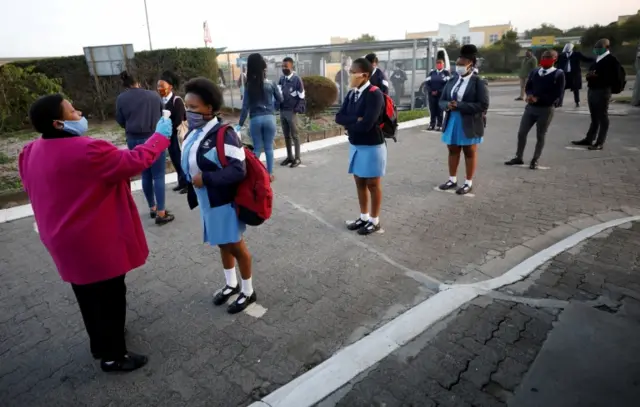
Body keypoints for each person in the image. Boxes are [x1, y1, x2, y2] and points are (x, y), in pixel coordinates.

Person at [19, 94, 173, 372]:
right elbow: (136, 160)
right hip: (94, 240)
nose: (79, 112)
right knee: (111, 294)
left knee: (87, 296)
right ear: (57, 123)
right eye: (72, 111)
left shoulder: (30, 151)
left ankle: (100, 343)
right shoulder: (89, 150)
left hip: (60, 239)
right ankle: (114, 356)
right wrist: (160, 136)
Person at [180, 77, 256, 314]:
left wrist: (207, 179)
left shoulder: (225, 133)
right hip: (207, 201)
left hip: (223, 201)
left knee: (236, 246)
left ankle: (248, 291)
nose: (188, 111)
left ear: (210, 108)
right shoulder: (195, 132)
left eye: (194, 107)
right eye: (187, 106)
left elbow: (237, 169)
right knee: (222, 244)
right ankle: (231, 284)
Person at [336, 57, 386, 235]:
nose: (350, 75)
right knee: (359, 182)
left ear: (364, 75)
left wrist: (352, 123)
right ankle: (363, 217)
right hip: (356, 144)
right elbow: (339, 117)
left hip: (372, 145)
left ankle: (375, 220)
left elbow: (368, 123)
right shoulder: (352, 93)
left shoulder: (374, 93)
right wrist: (354, 120)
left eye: (352, 72)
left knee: (373, 183)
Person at [116, 71, 175, 225]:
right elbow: (162, 115)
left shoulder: (121, 99)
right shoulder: (153, 96)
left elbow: (120, 120)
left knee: (146, 174)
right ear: (139, 82)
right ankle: (161, 213)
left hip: (133, 139)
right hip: (154, 138)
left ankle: (152, 207)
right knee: (158, 175)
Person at [438, 44, 489, 195]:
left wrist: (460, 105)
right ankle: (452, 179)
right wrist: (448, 105)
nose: (459, 67)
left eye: (462, 64)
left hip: (469, 121)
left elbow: (483, 104)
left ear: (470, 64)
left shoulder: (478, 82)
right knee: (452, 149)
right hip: (452, 120)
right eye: (457, 64)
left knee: (469, 151)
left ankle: (468, 182)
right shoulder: (452, 80)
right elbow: (441, 100)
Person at [505, 50, 565, 170]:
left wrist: (540, 99)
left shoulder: (558, 73)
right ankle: (518, 157)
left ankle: (535, 159)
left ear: (555, 59)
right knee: (522, 132)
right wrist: (530, 95)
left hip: (545, 109)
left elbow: (558, 93)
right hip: (531, 108)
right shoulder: (535, 71)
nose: (545, 59)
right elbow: (529, 86)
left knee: (540, 135)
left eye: (549, 57)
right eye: (543, 57)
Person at [572, 38, 624, 151]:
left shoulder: (611, 60)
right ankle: (589, 138)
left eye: (599, 47)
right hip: (592, 90)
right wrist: (589, 76)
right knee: (594, 117)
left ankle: (600, 142)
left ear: (606, 48)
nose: (596, 49)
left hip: (602, 91)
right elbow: (591, 72)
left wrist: (598, 77)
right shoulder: (597, 59)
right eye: (596, 47)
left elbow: (615, 77)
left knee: (602, 116)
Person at [238, 53, 283, 181]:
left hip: (255, 119)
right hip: (269, 117)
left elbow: (245, 106)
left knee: (257, 148)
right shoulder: (271, 84)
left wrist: (240, 124)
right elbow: (280, 99)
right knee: (269, 147)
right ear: (263, 67)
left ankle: (255, 175)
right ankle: (269, 174)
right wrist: (273, 108)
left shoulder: (248, 86)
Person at [157, 70, 188, 194]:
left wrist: (169, 130)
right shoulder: (162, 101)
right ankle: (181, 182)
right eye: (158, 86)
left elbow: (179, 120)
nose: (160, 89)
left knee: (180, 159)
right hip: (168, 136)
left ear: (170, 87)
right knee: (175, 160)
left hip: (176, 135)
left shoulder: (177, 101)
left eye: (162, 86)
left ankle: (186, 183)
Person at [278, 57, 306, 168]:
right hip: (282, 111)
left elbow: (302, 97)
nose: (284, 68)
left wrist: (296, 109)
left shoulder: (297, 80)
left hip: (292, 112)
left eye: (286, 66)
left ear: (291, 67)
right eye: (283, 66)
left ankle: (297, 158)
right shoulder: (282, 79)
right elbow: (278, 93)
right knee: (286, 136)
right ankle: (289, 156)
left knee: (295, 135)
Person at [556, 43, 593, 108]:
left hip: (574, 74)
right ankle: (560, 102)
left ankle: (577, 102)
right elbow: (556, 62)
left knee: (576, 89)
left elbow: (585, 59)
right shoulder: (561, 55)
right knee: (562, 88)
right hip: (564, 74)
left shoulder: (577, 54)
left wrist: (594, 59)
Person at [425, 58, 451, 131]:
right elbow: (427, 83)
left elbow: (447, 84)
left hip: (441, 95)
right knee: (432, 110)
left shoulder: (446, 73)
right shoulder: (432, 73)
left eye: (440, 64)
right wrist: (431, 91)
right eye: (437, 64)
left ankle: (439, 125)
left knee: (440, 110)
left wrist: (439, 91)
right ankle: (432, 124)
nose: (439, 65)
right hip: (432, 95)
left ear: (443, 65)